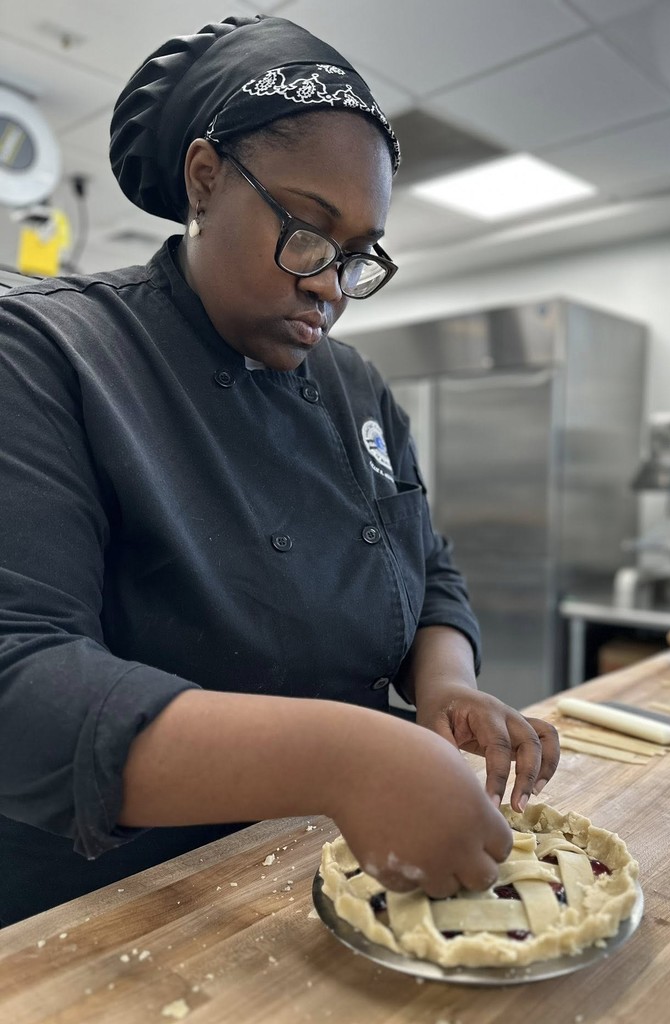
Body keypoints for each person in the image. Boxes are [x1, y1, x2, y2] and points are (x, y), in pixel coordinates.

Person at [0, 13, 559, 926]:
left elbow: (430, 571)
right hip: (113, 905)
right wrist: (344, 758)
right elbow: (18, 687)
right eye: (307, 231)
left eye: (357, 255)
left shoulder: (354, 385)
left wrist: (445, 687)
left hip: (331, 861)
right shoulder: (48, 352)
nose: (329, 285)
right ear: (205, 178)